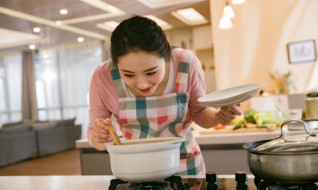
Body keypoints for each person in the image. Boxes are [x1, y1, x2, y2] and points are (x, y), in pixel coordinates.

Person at [87, 15, 241, 182]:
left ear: (167, 56)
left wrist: (219, 117)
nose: (142, 83)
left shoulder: (185, 63)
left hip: (185, 167)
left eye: (151, 72)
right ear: (116, 66)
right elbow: (95, 136)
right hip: (135, 171)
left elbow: (201, 114)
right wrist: (100, 137)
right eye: (128, 74)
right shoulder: (103, 76)